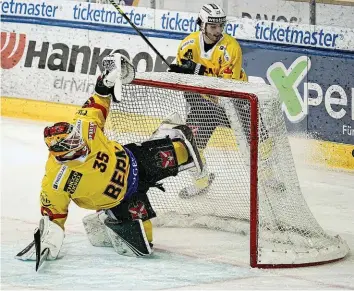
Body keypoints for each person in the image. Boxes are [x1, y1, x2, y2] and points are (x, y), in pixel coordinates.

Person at [15, 53, 203, 262]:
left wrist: (107, 80)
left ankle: (163, 135)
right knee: (144, 249)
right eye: (70, 143)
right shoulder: (55, 182)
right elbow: (53, 217)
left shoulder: (84, 128)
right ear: (59, 152)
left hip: (137, 161)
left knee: (184, 150)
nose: (78, 141)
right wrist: (47, 239)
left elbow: (99, 99)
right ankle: (108, 218)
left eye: (75, 137)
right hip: (121, 200)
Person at [169, 3, 248, 198]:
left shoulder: (231, 48)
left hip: (236, 103)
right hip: (205, 105)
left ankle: (268, 179)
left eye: (221, 26)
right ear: (201, 25)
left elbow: (226, 90)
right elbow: (185, 84)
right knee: (189, 146)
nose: (218, 31)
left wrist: (199, 71)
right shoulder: (188, 46)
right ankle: (201, 182)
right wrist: (182, 77)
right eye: (213, 26)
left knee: (259, 141)